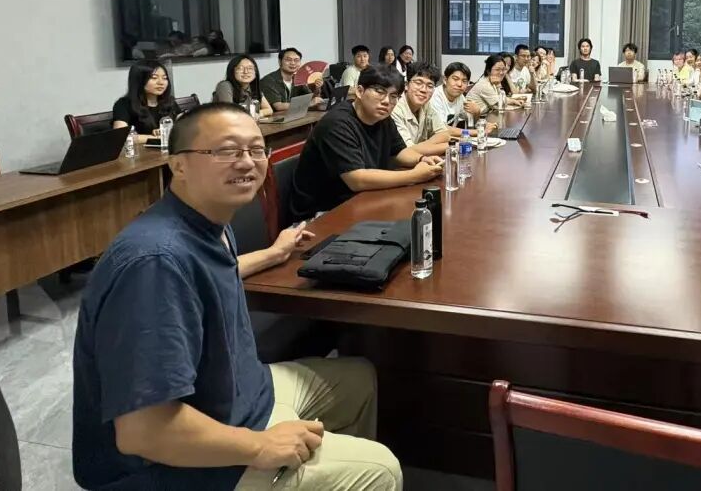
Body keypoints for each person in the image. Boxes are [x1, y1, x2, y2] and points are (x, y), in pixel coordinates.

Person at [72, 103, 401, 491]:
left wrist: (274, 254)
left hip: (242, 392)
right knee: (381, 469)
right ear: (178, 165)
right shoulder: (154, 263)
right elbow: (144, 432)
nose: (247, 162)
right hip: (168, 465)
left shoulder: (208, 221)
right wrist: (259, 446)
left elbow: (213, 271)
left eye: (256, 149)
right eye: (226, 151)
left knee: (359, 379)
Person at [288, 65, 443, 220]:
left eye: (393, 96)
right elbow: (357, 180)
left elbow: (398, 152)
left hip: (363, 200)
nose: (386, 101)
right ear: (360, 91)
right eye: (380, 92)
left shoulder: (383, 119)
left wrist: (422, 159)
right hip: (322, 214)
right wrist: (415, 175)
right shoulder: (337, 123)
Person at [390, 63, 454, 155]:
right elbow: (407, 151)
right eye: (418, 83)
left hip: (420, 159)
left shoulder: (426, 105)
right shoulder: (395, 108)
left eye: (430, 86)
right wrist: (447, 146)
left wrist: (423, 147)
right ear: (406, 85)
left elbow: (444, 134)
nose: (423, 90)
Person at [112, 60, 180, 144]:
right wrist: (159, 137)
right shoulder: (123, 104)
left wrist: (168, 131)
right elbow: (121, 136)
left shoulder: (169, 102)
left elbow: (185, 126)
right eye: (154, 78)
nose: (161, 82)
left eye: (164, 78)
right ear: (139, 80)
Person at [260, 48, 323, 112]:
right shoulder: (268, 81)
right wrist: (308, 104)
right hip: (275, 117)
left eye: (296, 60)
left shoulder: (298, 79)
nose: (293, 63)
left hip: (294, 115)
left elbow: (311, 99)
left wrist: (317, 88)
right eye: (288, 60)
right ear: (280, 62)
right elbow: (279, 106)